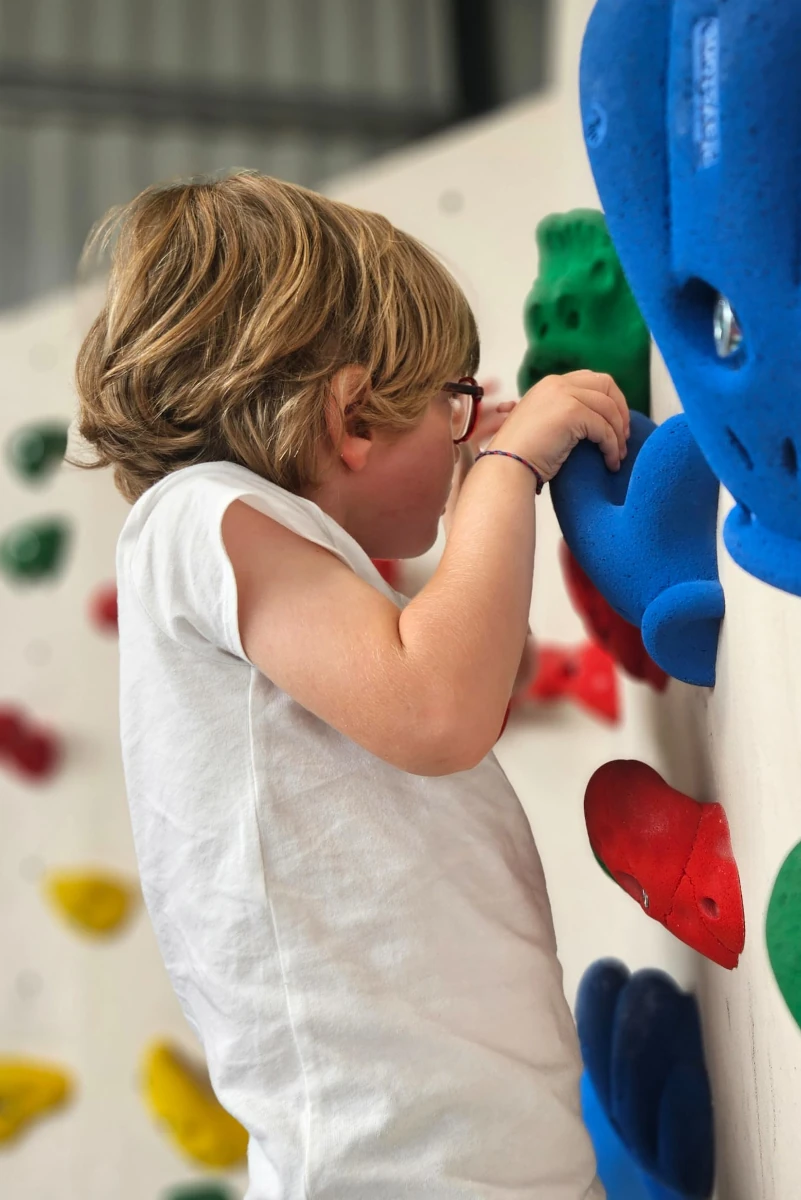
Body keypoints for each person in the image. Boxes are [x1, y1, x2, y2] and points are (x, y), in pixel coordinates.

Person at [75, 172, 628, 1199]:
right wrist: (506, 466)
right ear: (352, 421)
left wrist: (479, 465)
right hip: (392, 1168)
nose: (469, 426)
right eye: (451, 400)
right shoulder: (196, 517)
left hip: (471, 1157)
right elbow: (439, 706)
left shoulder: (265, 561)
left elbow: (464, 676)